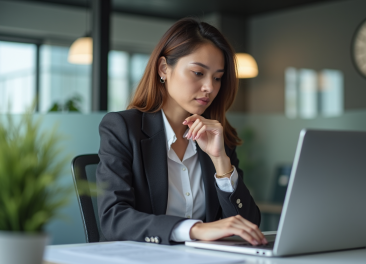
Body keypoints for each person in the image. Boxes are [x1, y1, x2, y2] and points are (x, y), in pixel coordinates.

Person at [96, 18, 266, 246]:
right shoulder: (122, 128)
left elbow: (248, 225)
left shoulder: (216, 135)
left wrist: (221, 161)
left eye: (217, 78)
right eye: (198, 73)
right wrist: (195, 230)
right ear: (164, 68)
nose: (210, 87)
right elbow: (114, 218)